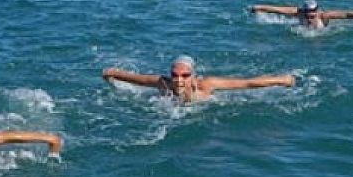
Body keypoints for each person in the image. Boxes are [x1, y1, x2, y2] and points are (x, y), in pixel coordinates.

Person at [101, 55, 295, 103]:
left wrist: (281, 80)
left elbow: (247, 83)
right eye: (175, 75)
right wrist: (110, 74)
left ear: (192, 76)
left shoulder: (206, 85)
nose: (178, 80)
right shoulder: (163, 83)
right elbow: (135, 79)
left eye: (184, 75)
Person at [249, 0, 353, 29]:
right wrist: (259, 7)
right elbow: (277, 9)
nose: (310, 15)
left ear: (317, 10)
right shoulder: (299, 13)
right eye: (308, 12)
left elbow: (347, 15)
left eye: (313, 12)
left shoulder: (324, 16)